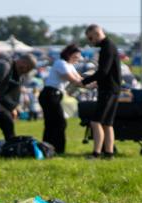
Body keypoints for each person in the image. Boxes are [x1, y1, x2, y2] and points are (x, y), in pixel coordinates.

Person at [80, 24, 121, 159]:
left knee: (95, 122)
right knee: (107, 124)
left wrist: (84, 81)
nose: (90, 41)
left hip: (108, 90)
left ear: (97, 34)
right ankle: (109, 153)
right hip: (112, 89)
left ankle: (96, 153)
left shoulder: (107, 48)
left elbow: (103, 72)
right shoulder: (109, 46)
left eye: (90, 38)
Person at [38, 44, 83, 154]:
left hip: (55, 95)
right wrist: (89, 83)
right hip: (50, 94)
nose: (77, 60)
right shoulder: (61, 63)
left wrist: (94, 83)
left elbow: (80, 80)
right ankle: (57, 149)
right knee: (59, 123)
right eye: (75, 57)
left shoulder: (70, 65)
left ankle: (48, 148)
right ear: (69, 55)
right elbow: (73, 80)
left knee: (52, 123)